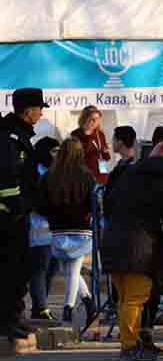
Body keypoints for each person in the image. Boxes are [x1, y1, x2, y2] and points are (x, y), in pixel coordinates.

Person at [100, 133, 163, 361]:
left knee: (124, 298)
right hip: (138, 247)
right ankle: (129, 346)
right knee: (135, 299)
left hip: (113, 241)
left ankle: (133, 342)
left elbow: (108, 204)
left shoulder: (131, 172)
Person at [0, 88, 48, 341]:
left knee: (19, 269)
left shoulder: (19, 135)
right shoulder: (8, 136)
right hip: (7, 217)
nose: (42, 113)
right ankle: (6, 321)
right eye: (40, 108)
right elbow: (7, 176)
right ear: (28, 110)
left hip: (17, 215)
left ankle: (14, 318)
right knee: (9, 269)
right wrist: (16, 206)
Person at [41, 139, 96, 327]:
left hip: (58, 229)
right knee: (72, 270)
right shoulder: (87, 177)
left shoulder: (50, 176)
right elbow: (94, 203)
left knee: (69, 269)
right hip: (82, 229)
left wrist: (51, 217)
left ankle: (81, 305)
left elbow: (41, 203)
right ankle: (72, 308)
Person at [72, 106, 111, 184]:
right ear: (84, 119)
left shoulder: (100, 134)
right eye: (92, 119)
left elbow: (106, 158)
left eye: (97, 119)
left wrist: (105, 152)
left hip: (100, 175)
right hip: (83, 177)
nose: (95, 122)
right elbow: (75, 156)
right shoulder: (76, 134)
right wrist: (88, 134)